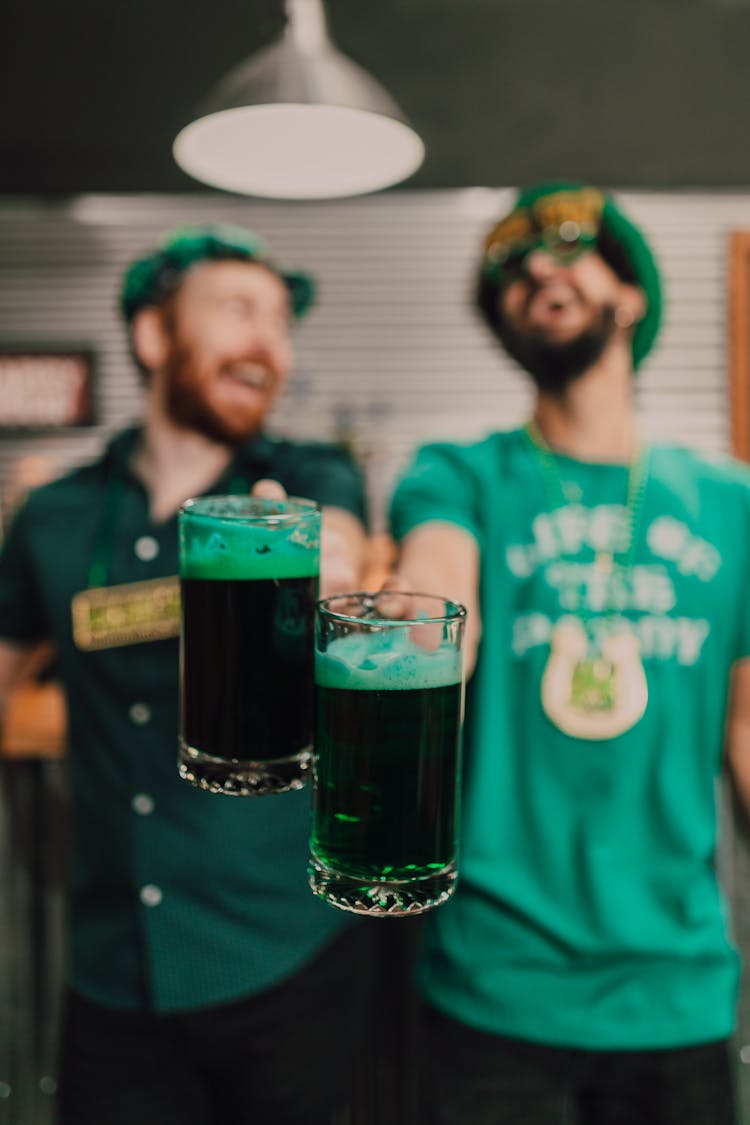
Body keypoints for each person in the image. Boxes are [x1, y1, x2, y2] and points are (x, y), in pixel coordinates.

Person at [388, 182, 750, 1124]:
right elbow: (439, 581)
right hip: (496, 985)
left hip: (677, 987)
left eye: (566, 248)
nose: (536, 270)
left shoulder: (733, 503)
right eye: (508, 267)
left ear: (630, 294)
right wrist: (411, 617)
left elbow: (749, 725)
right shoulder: (456, 473)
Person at [0, 224, 370, 1125]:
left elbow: (346, 562)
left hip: (285, 960)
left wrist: (315, 564)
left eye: (283, 323)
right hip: (110, 970)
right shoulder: (53, 515)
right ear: (155, 336)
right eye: (240, 311)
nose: (269, 343)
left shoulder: (306, 477)